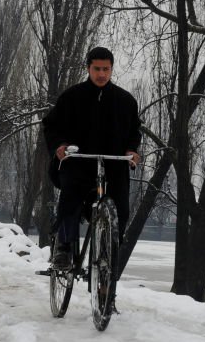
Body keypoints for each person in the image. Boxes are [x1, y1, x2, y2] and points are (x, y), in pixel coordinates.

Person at [42, 46, 142, 270]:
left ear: (112, 69)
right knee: (70, 201)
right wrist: (59, 146)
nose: (101, 74)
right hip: (78, 163)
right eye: (97, 68)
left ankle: (109, 254)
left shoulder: (126, 101)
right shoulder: (71, 97)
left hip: (114, 166)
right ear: (88, 68)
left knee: (121, 209)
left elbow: (134, 132)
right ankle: (64, 248)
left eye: (106, 69)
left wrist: (132, 150)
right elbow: (51, 125)